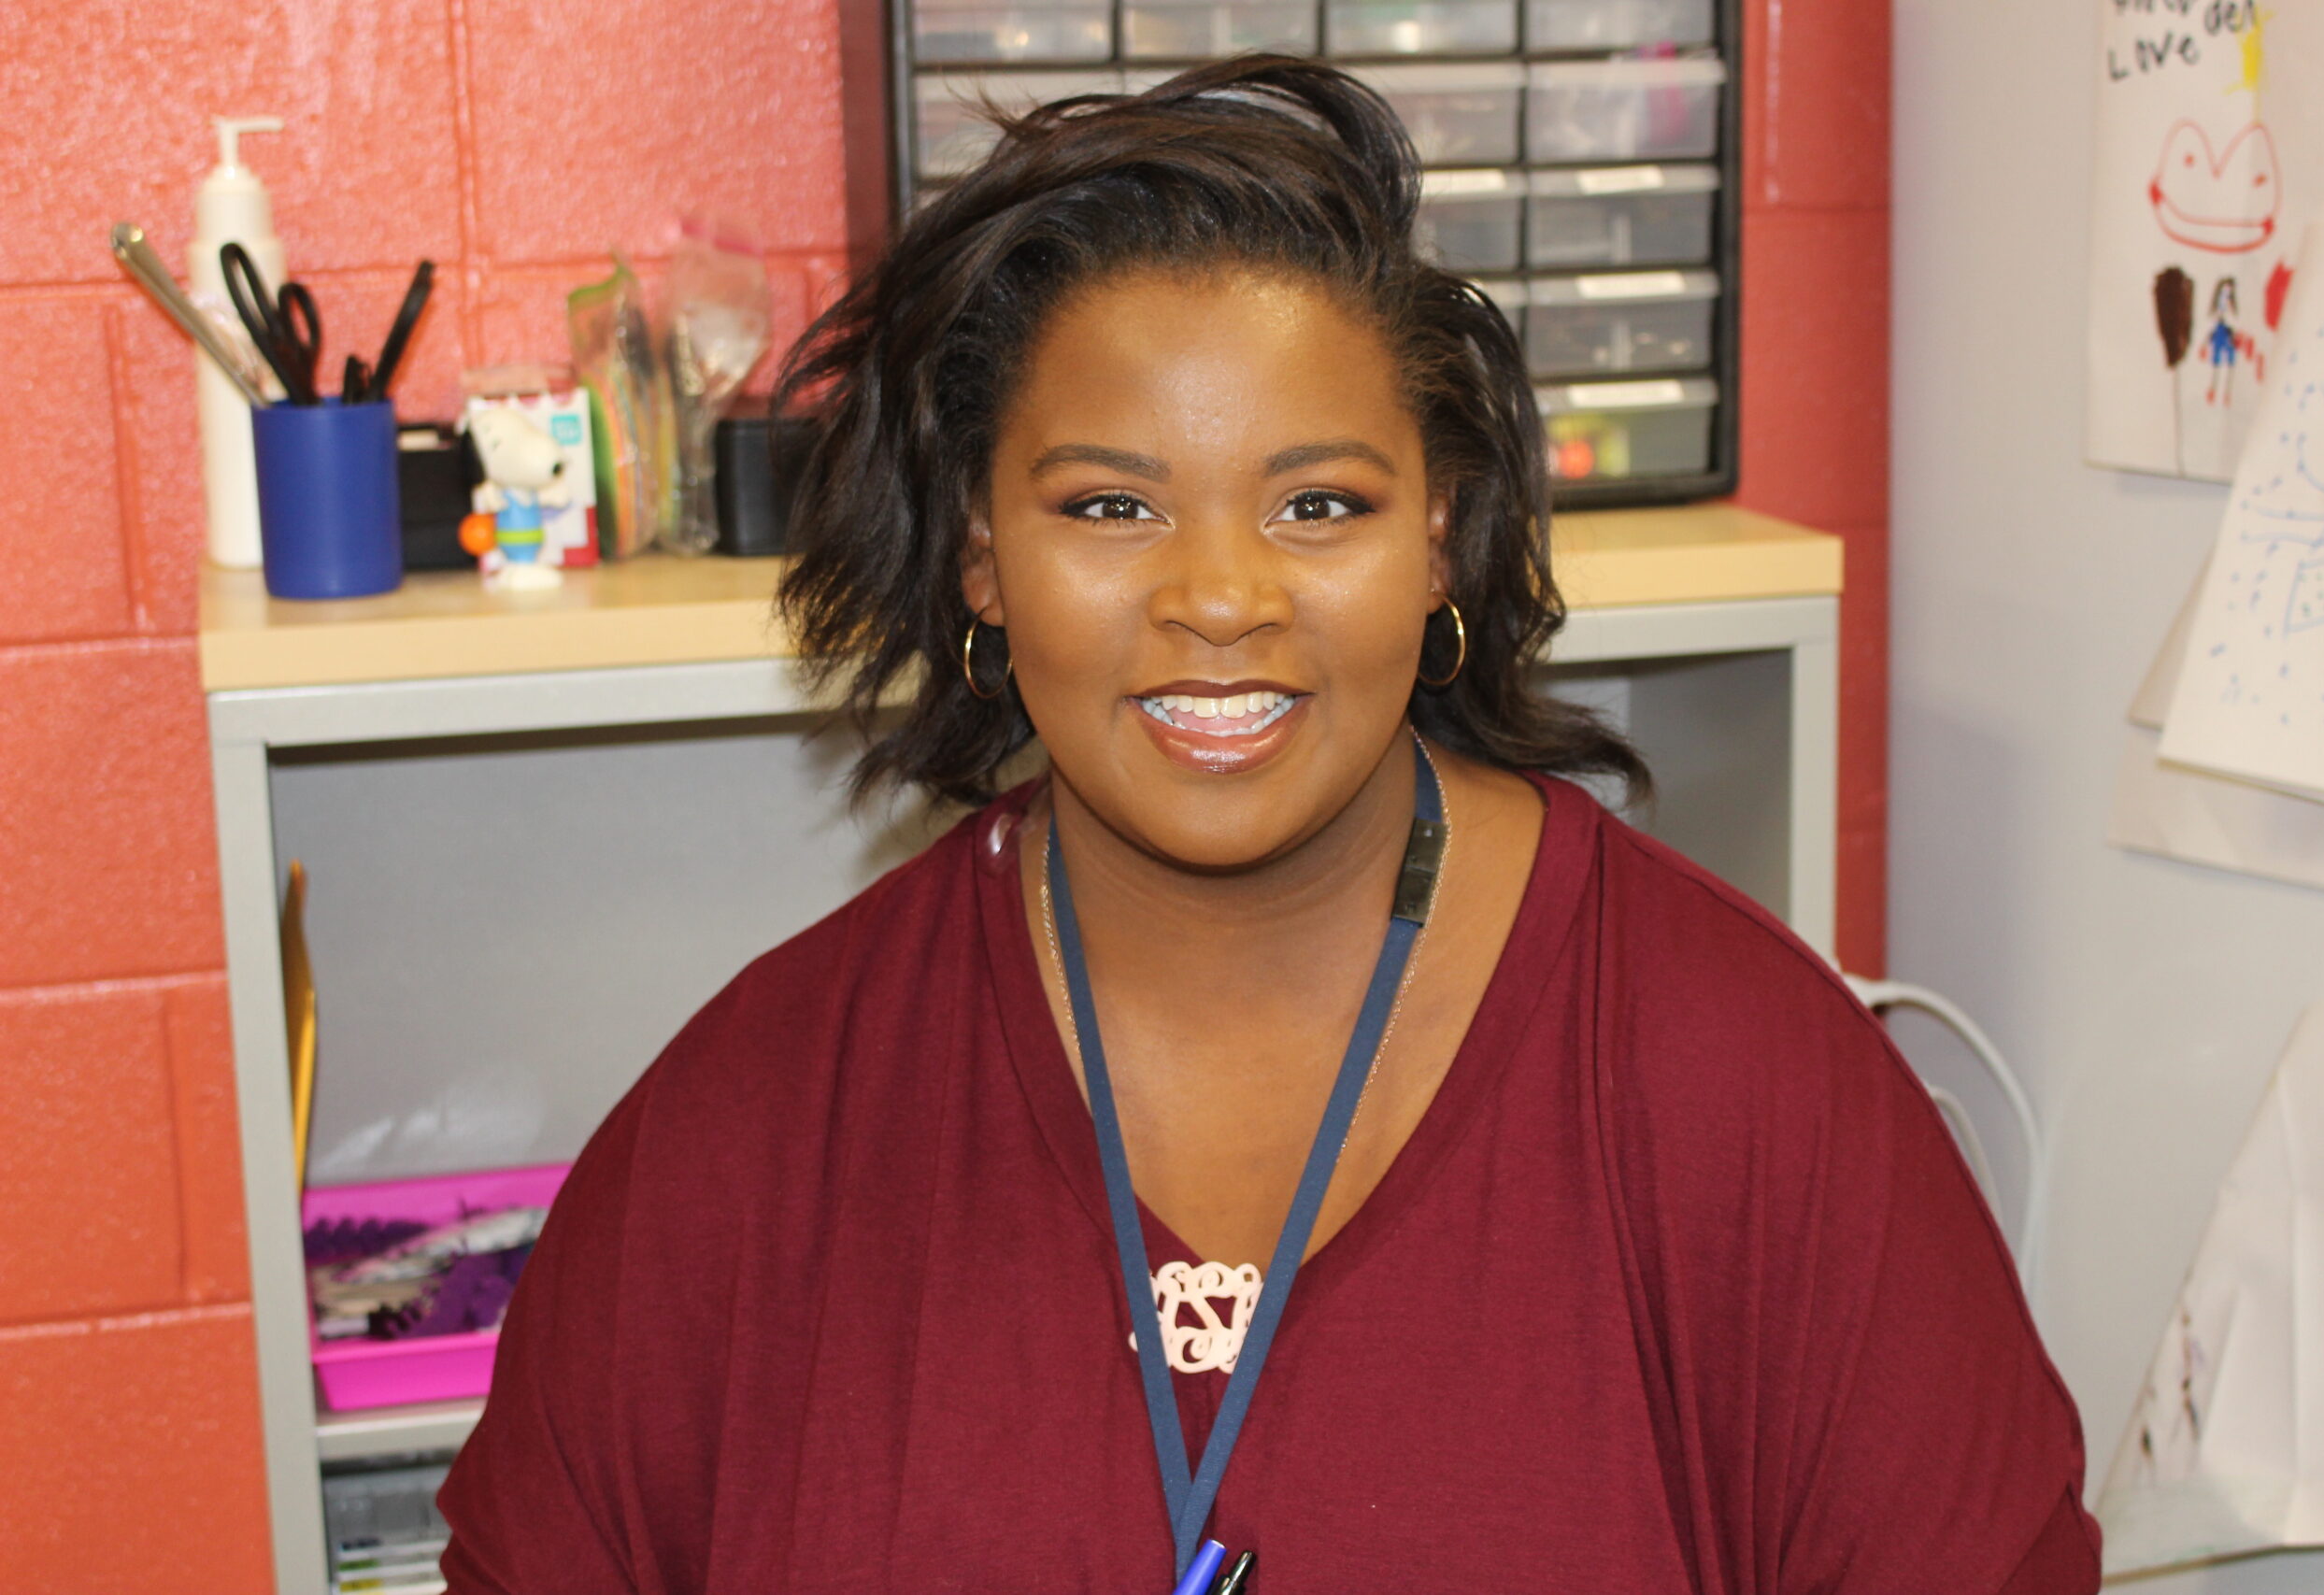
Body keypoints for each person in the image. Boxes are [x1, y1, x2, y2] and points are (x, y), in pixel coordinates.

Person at [438, 56, 2100, 1593]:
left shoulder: (1751, 1097)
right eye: (1111, 505)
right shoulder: (747, 1141)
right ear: (981, 559)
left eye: (1320, 504)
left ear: (1438, 539)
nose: (1222, 597)